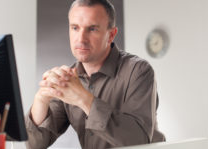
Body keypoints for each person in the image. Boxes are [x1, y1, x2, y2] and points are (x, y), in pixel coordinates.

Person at [25, 0, 165, 148]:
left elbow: (140, 141)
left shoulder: (139, 71)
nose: (81, 39)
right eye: (75, 28)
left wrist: (84, 99)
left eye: (92, 29)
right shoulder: (69, 79)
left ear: (111, 35)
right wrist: (41, 99)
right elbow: (35, 145)